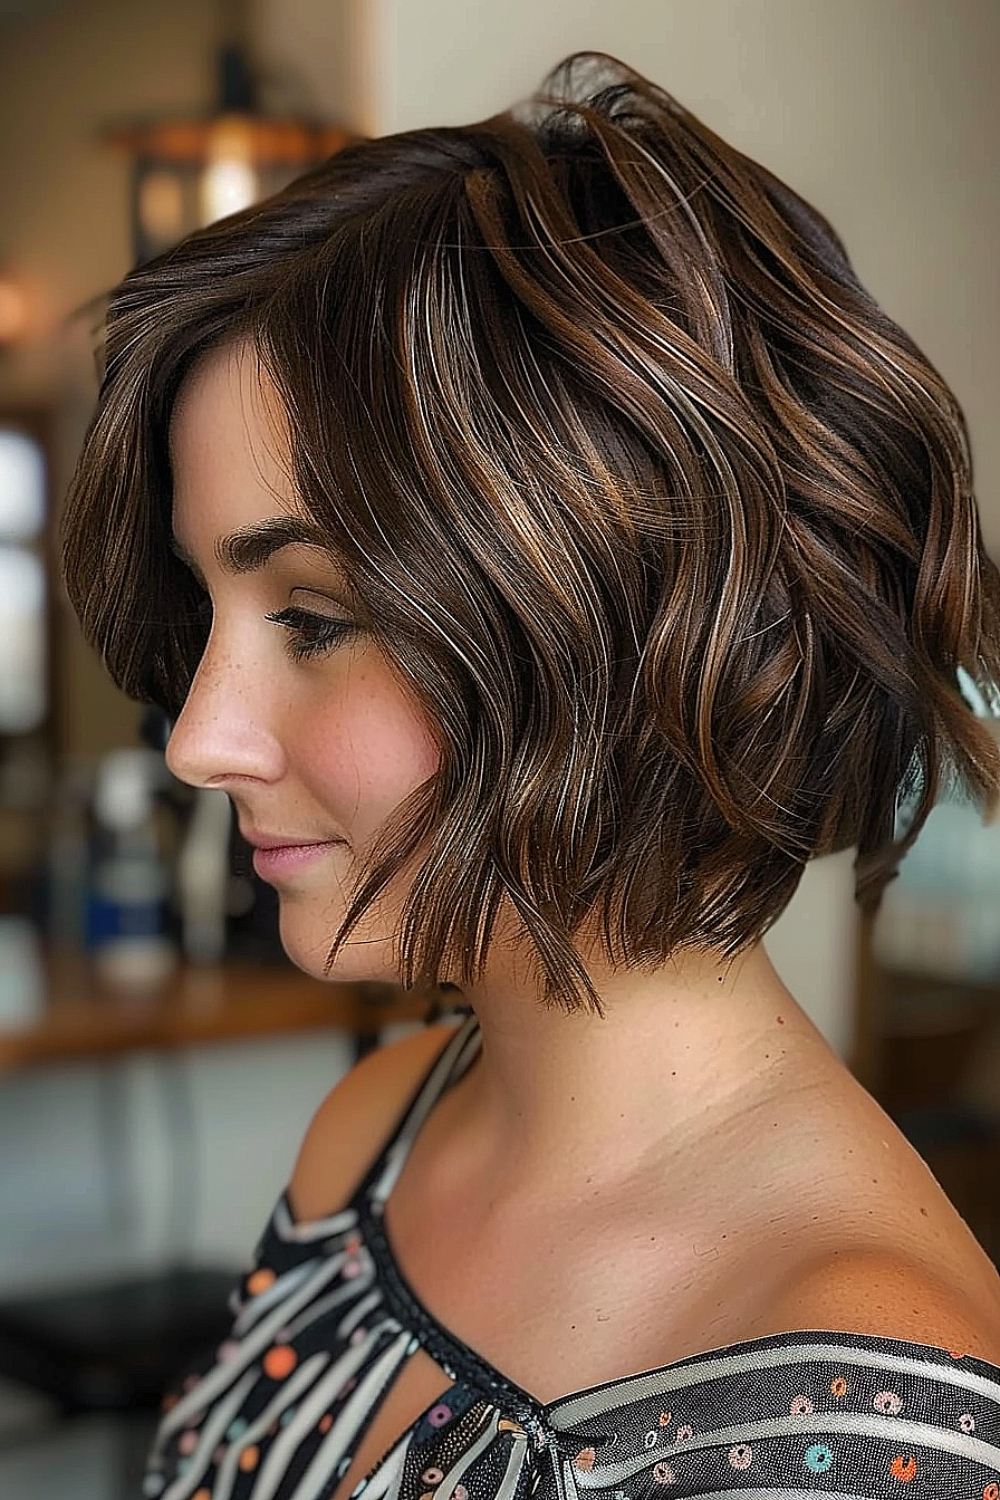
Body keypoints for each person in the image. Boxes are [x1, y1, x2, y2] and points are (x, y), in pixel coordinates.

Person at [60, 49, 1000, 1500]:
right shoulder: (377, 1131)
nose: (198, 736)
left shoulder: (849, 1434)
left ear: (627, 626)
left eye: (313, 620)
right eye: (211, 618)